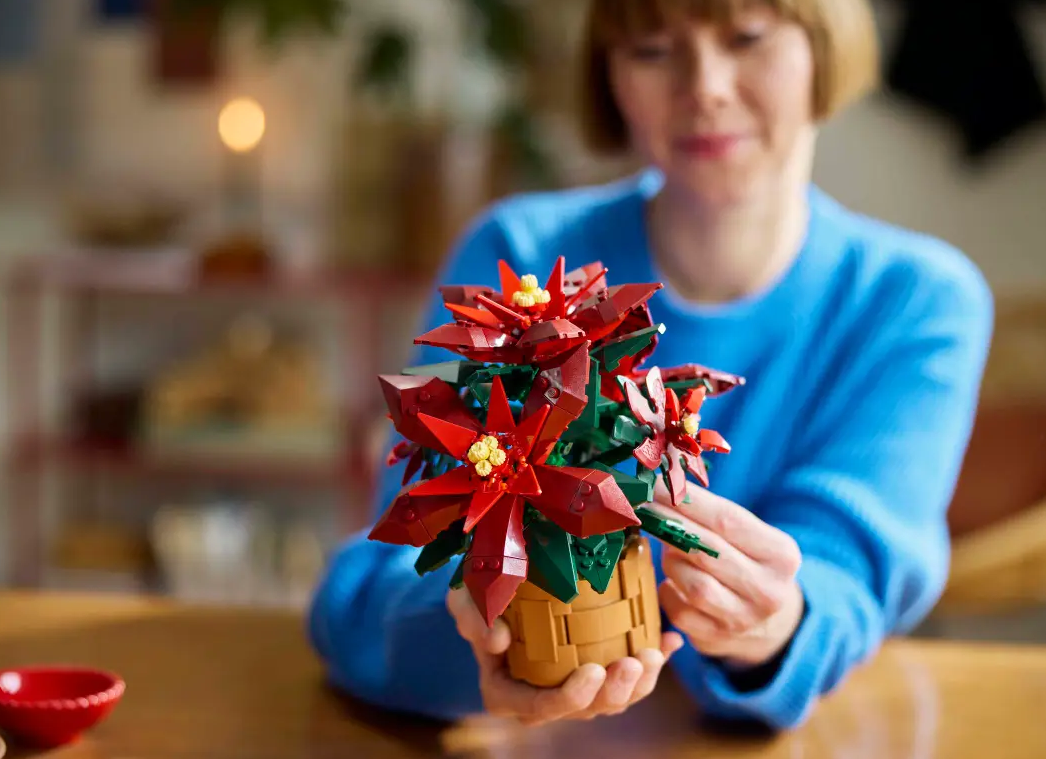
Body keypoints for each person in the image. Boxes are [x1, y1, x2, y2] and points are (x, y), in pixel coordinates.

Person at [307, 0, 993, 731]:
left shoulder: (914, 303)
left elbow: (844, 574)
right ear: (608, 76)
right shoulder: (524, 263)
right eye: (653, 50)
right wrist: (480, 641)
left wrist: (777, 626)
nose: (705, 87)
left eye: (747, 38)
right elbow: (369, 591)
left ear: (825, 48)